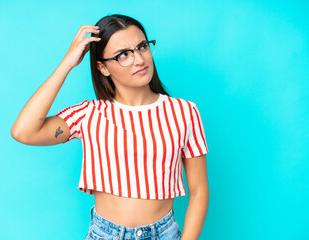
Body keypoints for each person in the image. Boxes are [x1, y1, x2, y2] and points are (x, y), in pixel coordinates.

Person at [11, 14, 209, 240]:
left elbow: (200, 191)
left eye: (142, 47)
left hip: (164, 234)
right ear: (102, 68)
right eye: (123, 55)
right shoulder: (88, 115)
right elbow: (23, 131)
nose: (139, 60)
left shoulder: (184, 112)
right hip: (104, 234)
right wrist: (67, 64)